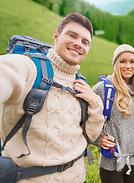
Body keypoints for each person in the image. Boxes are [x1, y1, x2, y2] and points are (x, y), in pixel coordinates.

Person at [0, 13, 105, 183]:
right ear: (56, 36)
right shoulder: (29, 67)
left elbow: (92, 135)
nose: (78, 44)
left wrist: (94, 102)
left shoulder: (81, 83)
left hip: (78, 178)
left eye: (85, 42)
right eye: (72, 35)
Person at [92, 44, 134, 183]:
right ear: (115, 64)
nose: (128, 66)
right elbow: (84, 118)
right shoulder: (103, 88)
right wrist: (97, 140)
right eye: (123, 61)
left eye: (132, 62)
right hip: (112, 161)